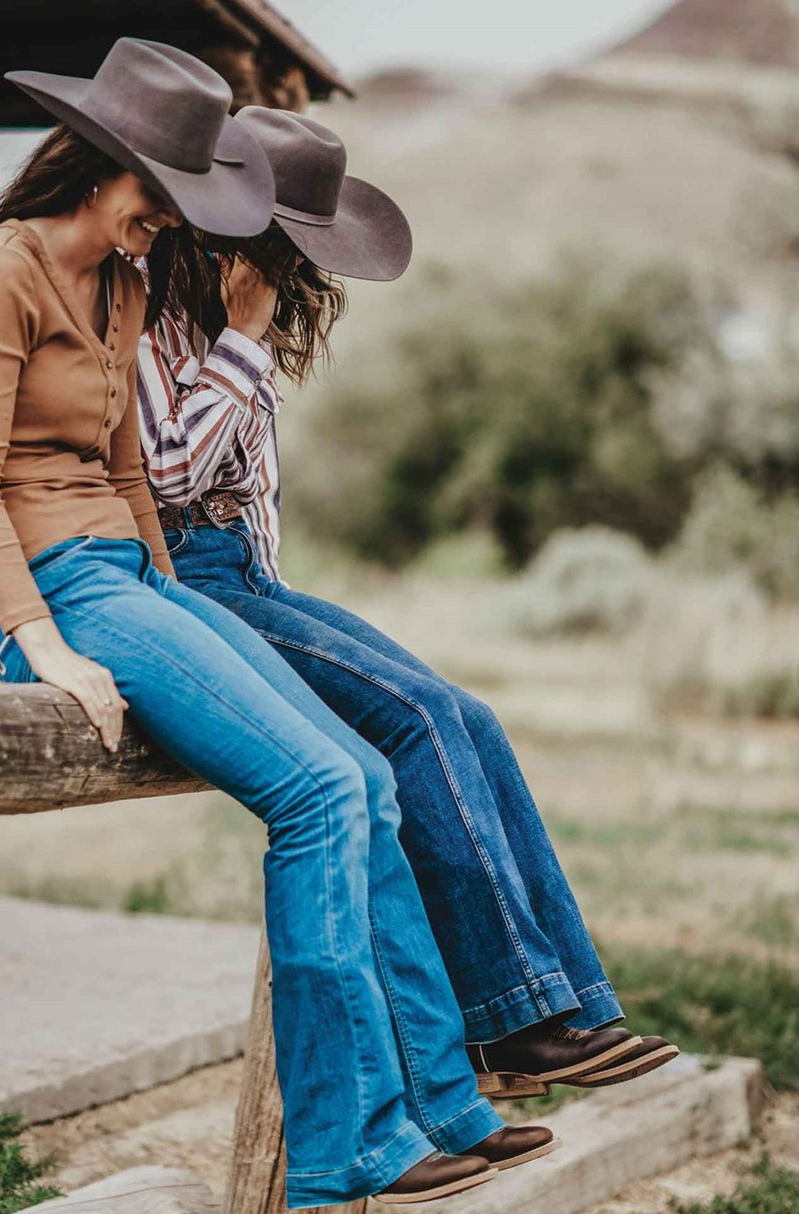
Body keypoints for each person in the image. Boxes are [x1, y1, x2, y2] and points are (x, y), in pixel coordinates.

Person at [0, 38, 557, 1209]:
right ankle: (341, 1145)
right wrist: (48, 645)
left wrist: (172, 596)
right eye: (164, 201)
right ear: (106, 167)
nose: (172, 228)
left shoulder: (117, 283)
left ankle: (437, 1102)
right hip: (56, 588)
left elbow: (129, 475)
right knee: (317, 795)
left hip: (131, 576)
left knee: (365, 768)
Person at [136, 106, 679, 1103]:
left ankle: (569, 1004)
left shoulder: (210, 316)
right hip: (186, 580)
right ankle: (512, 1020)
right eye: (289, 246)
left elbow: (244, 498)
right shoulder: (145, 315)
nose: (302, 269)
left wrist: (243, 338)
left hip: (250, 577)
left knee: (468, 714)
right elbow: (165, 476)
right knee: (420, 719)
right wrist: (245, 337)